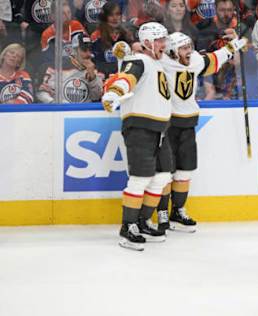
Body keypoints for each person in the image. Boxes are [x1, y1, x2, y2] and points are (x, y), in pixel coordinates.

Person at [156, 31, 246, 232]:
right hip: (167, 124)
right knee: (164, 173)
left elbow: (213, 60)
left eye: (190, 46)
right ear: (172, 50)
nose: (189, 51)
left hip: (189, 123)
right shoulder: (161, 61)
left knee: (184, 170)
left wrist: (231, 47)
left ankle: (177, 211)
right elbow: (142, 59)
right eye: (184, 48)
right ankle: (161, 212)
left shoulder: (195, 60)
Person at [101, 22, 173, 251]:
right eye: (160, 40)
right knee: (140, 178)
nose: (164, 44)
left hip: (161, 129)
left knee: (162, 177)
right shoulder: (139, 60)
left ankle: (143, 221)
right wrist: (115, 92)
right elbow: (127, 77)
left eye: (164, 40)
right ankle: (128, 226)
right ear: (149, 42)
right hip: (140, 127)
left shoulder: (158, 64)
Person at [37, 34, 103, 103]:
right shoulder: (57, 67)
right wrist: (55, 104)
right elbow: (42, 93)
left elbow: (97, 96)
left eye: (90, 50)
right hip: (62, 111)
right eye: (84, 50)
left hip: (85, 112)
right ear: (74, 50)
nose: (89, 54)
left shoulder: (94, 69)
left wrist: (92, 77)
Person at [91, 1, 134, 78]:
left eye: (117, 14)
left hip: (123, 76)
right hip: (103, 77)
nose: (115, 18)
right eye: (111, 15)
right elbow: (95, 62)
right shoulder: (96, 36)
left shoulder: (127, 35)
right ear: (104, 17)